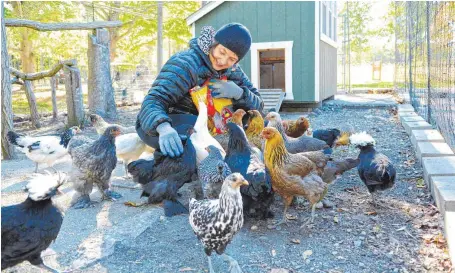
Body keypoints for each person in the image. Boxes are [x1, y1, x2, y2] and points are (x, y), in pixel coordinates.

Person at [136, 22, 264, 158]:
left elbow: (259, 107)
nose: (222, 61)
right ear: (213, 43)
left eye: (232, 59)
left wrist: (240, 93)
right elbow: (153, 100)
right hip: (165, 123)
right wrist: (163, 128)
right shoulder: (186, 64)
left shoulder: (234, 71)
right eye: (222, 52)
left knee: (258, 126)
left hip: (210, 123)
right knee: (200, 136)